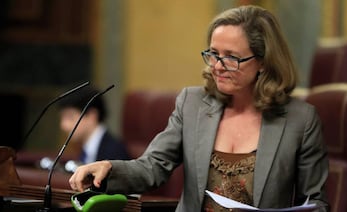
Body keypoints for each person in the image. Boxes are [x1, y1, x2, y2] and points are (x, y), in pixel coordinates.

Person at [69, 5, 329, 211]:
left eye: (231, 57)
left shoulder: (301, 120)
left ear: (263, 61)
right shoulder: (192, 103)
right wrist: (108, 168)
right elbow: (154, 166)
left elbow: (316, 202)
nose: (217, 65)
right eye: (213, 53)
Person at [57, 85, 129, 170]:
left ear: (92, 116)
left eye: (70, 117)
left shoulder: (114, 152)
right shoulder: (84, 150)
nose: (63, 125)